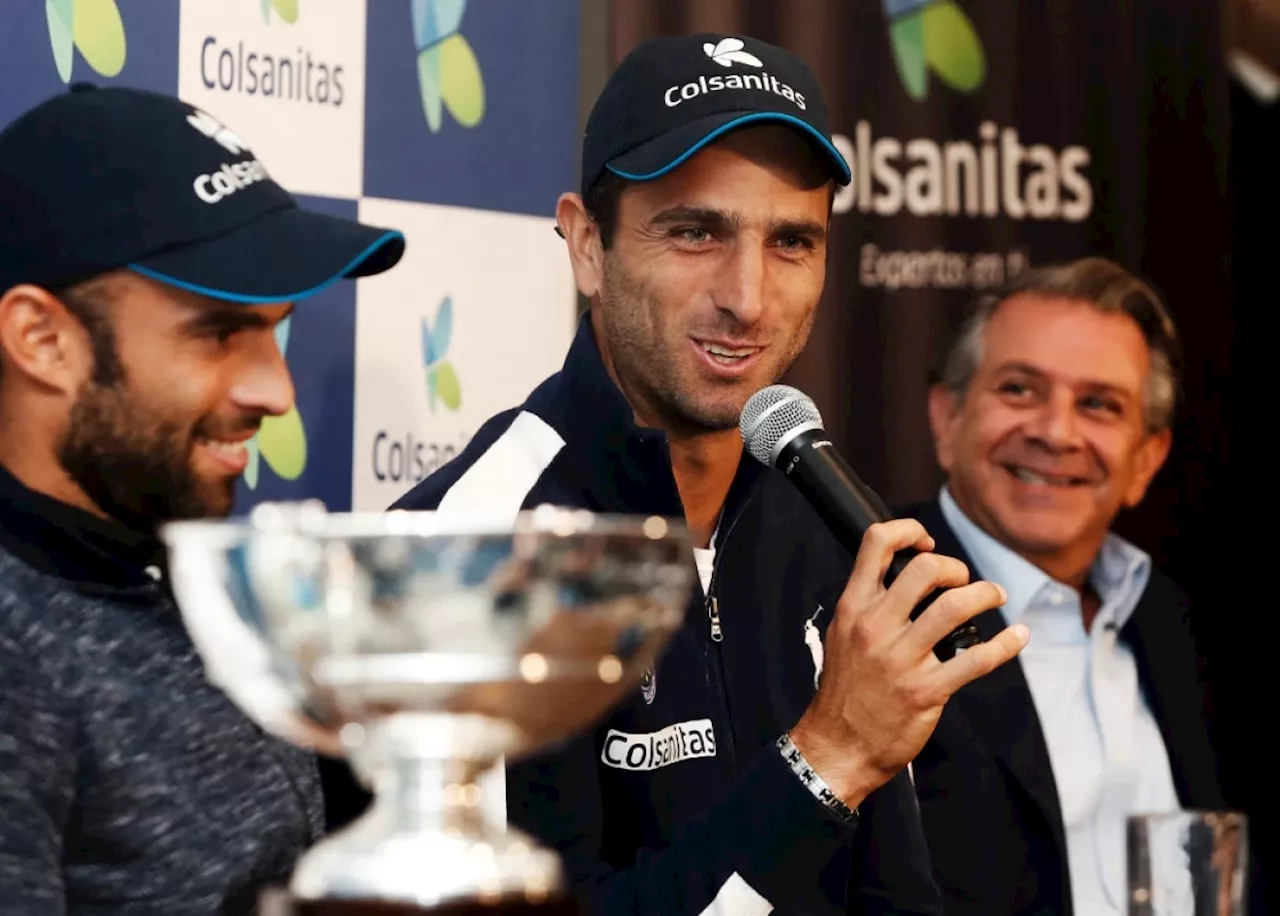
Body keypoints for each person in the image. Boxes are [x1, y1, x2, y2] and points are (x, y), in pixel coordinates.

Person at [390, 34, 1027, 916]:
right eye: (696, 232)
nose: (749, 296)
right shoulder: (468, 553)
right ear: (585, 244)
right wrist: (826, 758)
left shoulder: (826, 524)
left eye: (792, 241)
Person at [0, 84, 404, 915]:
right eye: (218, 333)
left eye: (275, 329)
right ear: (42, 340)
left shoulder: (201, 576)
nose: (275, 390)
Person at [903, 257, 1233, 915]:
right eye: (1021, 389)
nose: (1056, 433)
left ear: (1146, 458)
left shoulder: (1175, 623)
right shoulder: (878, 609)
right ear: (947, 419)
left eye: (1098, 405)